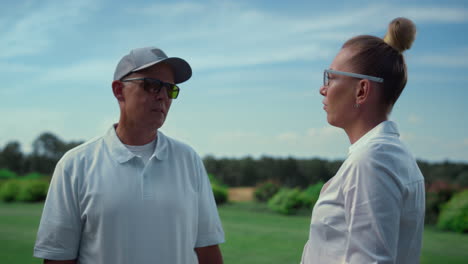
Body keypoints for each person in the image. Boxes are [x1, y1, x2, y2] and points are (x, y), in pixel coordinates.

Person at [34, 47, 225, 264]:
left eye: (170, 89)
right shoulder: (75, 165)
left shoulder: (188, 160)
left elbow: (207, 248)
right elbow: (59, 258)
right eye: (152, 85)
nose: (163, 95)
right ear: (118, 90)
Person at [301, 18, 425, 264]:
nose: (323, 89)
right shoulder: (388, 155)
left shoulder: (372, 160)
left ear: (362, 90)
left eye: (332, 77)